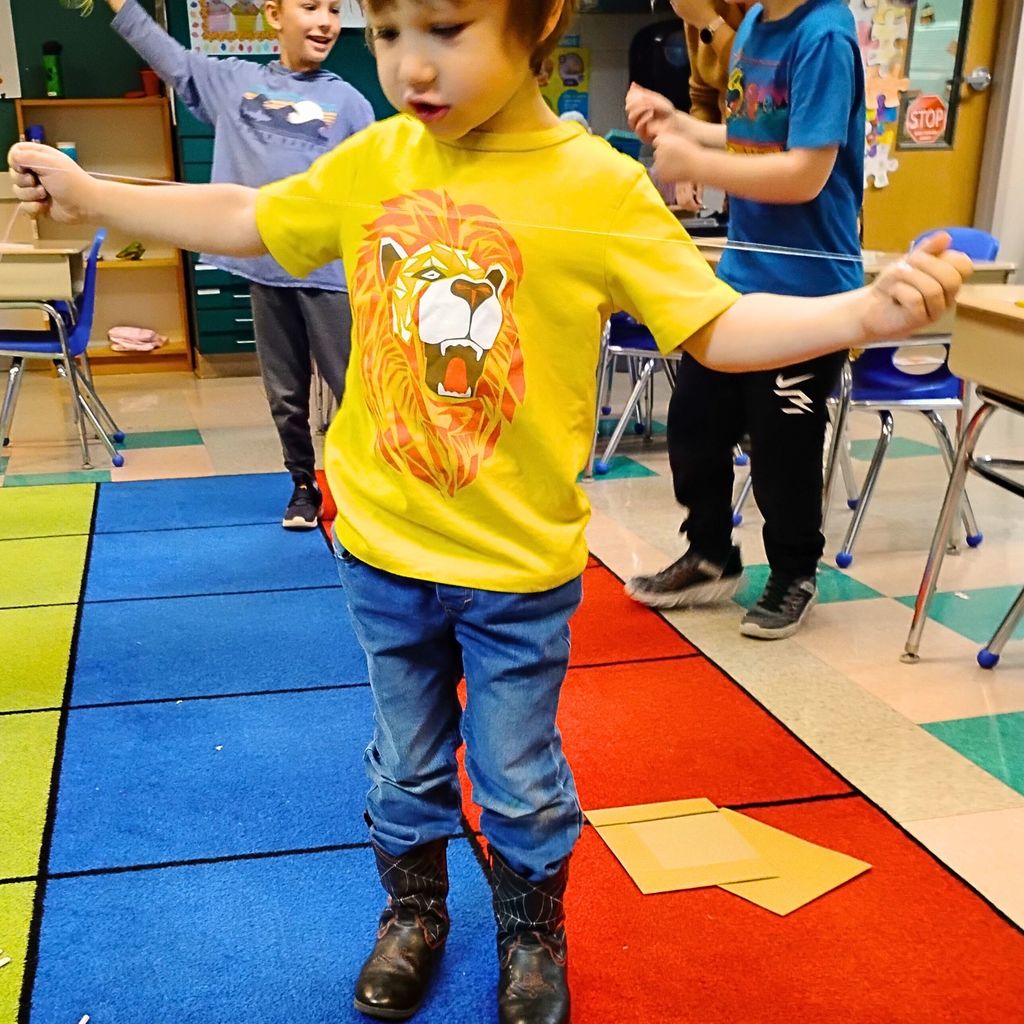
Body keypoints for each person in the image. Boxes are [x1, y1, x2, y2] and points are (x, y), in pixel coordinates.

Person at [9, 0, 969, 1019]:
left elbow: (717, 324)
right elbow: (248, 216)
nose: (408, 67)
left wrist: (862, 314)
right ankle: (415, 912)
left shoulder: (598, 184)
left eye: (446, 30)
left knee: (517, 775)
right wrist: (93, 190)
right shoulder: (378, 156)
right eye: (387, 35)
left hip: (515, 570)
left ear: (535, 23)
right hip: (383, 548)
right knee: (405, 760)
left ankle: (530, 927)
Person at [625, 0, 867, 640]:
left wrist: (694, 164)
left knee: (782, 447)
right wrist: (681, 123)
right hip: (740, 281)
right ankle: (709, 555)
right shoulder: (757, 22)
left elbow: (805, 173)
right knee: (695, 424)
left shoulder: (825, 34)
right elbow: (749, 135)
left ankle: (794, 573)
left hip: (810, 292)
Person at [103, 0, 374, 529]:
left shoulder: (350, 103)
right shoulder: (234, 84)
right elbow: (167, 55)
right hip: (265, 273)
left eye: (335, 11)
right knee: (286, 394)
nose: (325, 22)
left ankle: (372, 492)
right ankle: (303, 486)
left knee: (355, 390)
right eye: (311, 7)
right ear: (274, 16)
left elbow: (374, 194)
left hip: (330, 277)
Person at [667, 0, 749, 213]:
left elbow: (757, 82)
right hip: (731, 181)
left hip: (773, 184)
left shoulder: (780, 12)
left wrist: (709, 22)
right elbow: (703, 98)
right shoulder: (698, 5)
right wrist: (692, 156)